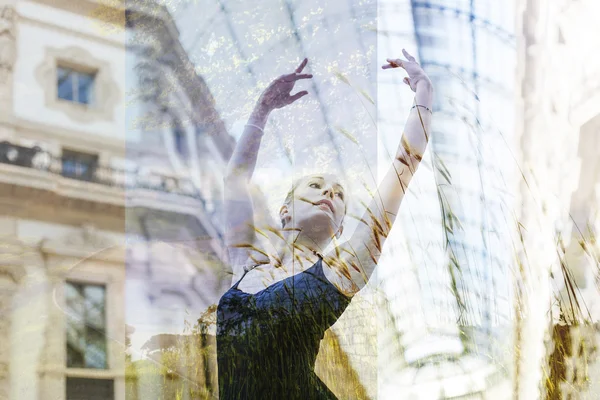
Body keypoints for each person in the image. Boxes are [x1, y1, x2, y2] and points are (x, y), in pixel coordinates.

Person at [217, 50, 433, 399]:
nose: (329, 192)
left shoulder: (340, 271)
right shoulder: (246, 262)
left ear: (341, 228)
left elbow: (402, 169)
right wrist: (262, 109)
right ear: (284, 210)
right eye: (316, 185)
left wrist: (424, 93)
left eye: (339, 194)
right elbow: (235, 181)